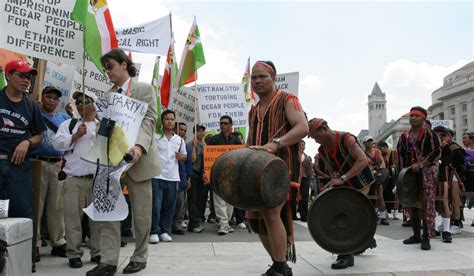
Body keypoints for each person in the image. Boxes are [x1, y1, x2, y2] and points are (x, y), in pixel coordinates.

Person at [87, 48, 161, 276]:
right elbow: (106, 129)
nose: (107, 72)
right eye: (105, 68)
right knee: (109, 212)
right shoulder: (106, 97)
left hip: (138, 161)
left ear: (123, 64)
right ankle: (108, 261)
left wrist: (138, 147)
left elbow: (149, 120)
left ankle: (140, 257)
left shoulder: (144, 89)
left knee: (141, 214)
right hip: (111, 162)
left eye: (110, 66)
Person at [247, 60, 308, 276]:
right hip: (258, 171)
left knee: (272, 213)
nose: (257, 81)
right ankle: (278, 263)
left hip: (282, 169)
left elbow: (303, 127)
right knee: (255, 220)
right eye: (254, 77)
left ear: (273, 78)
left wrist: (276, 144)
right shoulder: (253, 111)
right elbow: (250, 140)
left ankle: (280, 267)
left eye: (262, 76)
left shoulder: (287, 99)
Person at [308, 117, 376, 270]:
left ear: (324, 130)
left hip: (361, 181)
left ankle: (346, 255)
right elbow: (331, 170)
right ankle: (365, 239)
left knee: (351, 215)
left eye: (316, 136)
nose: (316, 141)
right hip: (345, 185)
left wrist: (343, 177)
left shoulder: (347, 139)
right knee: (342, 213)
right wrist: (334, 177)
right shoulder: (322, 150)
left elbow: (362, 160)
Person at [0, 60, 46, 272]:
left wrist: (26, 142)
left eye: (29, 77)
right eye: (21, 75)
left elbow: (39, 134)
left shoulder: (30, 106)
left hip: (18, 167)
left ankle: (26, 261)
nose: (26, 80)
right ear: (8, 75)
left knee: (22, 213)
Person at [53, 90, 101, 269]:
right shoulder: (69, 124)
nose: (80, 104)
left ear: (94, 105)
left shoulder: (102, 126)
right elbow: (57, 143)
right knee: (73, 219)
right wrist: (75, 136)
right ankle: (74, 254)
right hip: (74, 179)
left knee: (97, 220)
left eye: (85, 101)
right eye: (78, 101)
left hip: (96, 180)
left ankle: (97, 252)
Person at [30, 86, 70, 260]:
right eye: (49, 97)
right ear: (42, 97)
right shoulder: (34, 113)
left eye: (55, 98)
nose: (52, 100)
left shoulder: (64, 118)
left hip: (57, 165)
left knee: (57, 205)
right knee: (36, 205)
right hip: (37, 161)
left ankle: (58, 242)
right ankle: (35, 243)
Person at [397, 106, 440, 251]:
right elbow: (401, 155)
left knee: (426, 204)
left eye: (416, 115)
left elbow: (436, 152)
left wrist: (421, 164)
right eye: (411, 115)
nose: (413, 118)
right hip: (411, 173)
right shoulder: (404, 136)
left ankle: (426, 237)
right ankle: (416, 235)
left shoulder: (430, 134)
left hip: (427, 172)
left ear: (423, 118)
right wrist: (403, 171)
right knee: (412, 202)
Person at [149, 110, 187, 244]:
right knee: (156, 205)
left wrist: (181, 157)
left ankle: (164, 231)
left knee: (169, 206)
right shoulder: (155, 137)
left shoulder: (180, 140)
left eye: (172, 119)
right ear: (162, 121)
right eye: (167, 119)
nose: (170, 121)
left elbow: (184, 156)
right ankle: (154, 231)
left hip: (172, 177)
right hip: (157, 175)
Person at [207, 115, 242, 235]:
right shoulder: (213, 140)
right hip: (217, 175)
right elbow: (207, 159)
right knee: (219, 200)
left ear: (231, 126)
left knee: (230, 201)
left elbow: (240, 158)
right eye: (221, 123)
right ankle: (223, 223)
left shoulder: (236, 140)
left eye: (225, 123)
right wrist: (206, 173)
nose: (222, 125)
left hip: (231, 175)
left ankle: (226, 222)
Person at [433, 126, 465, 239]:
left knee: (454, 200)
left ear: (449, 136)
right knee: (443, 201)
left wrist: (442, 162)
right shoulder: (435, 145)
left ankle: (456, 224)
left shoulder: (454, 147)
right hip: (442, 175)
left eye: (443, 135)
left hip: (453, 176)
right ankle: (447, 223)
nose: (440, 137)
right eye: (438, 135)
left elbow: (460, 162)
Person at [363, 135, 389, 225]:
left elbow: (382, 162)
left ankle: (382, 217)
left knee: (380, 195)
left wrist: (381, 169)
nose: (370, 143)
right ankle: (368, 216)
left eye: (371, 141)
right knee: (366, 196)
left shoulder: (377, 151)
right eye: (368, 141)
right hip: (367, 177)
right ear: (364, 143)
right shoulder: (362, 153)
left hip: (378, 175)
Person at [172, 122, 193, 235]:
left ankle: (177, 225)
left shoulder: (184, 144)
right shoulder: (169, 140)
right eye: (181, 129)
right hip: (169, 177)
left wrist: (189, 178)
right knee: (169, 203)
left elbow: (188, 163)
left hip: (182, 177)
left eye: (185, 130)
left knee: (180, 203)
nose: (183, 132)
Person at [187, 124, 206, 233]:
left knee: (199, 199)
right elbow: (193, 160)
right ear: (194, 132)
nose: (201, 133)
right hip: (193, 174)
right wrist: (194, 146)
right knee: (192, 199)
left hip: (201, 175)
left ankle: (196, 220)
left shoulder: (205, 145)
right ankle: (193, 224)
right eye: (198, 131)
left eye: (202, 131)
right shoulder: (190, 145)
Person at [377, 141, 399, 220]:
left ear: (385, 147)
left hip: (394, 177)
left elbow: (397, 164)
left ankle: (395, 212)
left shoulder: (393, 153)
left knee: (396, 194)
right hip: (384, 177)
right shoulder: (380, 155)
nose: (379, 150)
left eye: (380, 148)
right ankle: (385, 211)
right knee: (384, 193)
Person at [298, 140, 313, 222]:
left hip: (304, 179)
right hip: (294, 178)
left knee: (304, 196)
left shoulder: (307, 157)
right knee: (293, 196)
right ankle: (293, 214)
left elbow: (309, 171)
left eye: (303, 145)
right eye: (300, 145)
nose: (302, 146)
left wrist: (310, 181)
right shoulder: (294, 155)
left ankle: (304, 216)